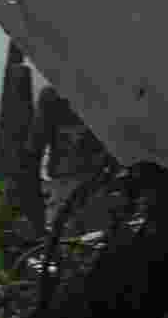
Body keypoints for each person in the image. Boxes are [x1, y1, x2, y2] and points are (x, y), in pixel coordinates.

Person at [27, 86, 115, 234]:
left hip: (71, 177)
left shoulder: (52, 94)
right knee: (95, 234)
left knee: (68, 234)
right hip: (94, 176)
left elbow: (36, 143)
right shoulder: (103, 88)